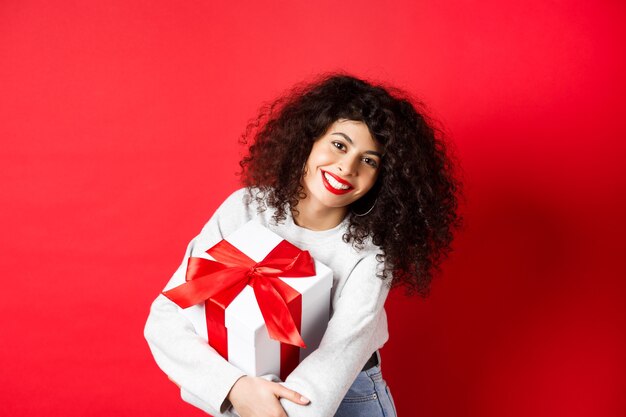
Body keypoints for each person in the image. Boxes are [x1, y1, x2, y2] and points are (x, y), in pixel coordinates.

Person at [144, 73, 462, 417]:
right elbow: (167, 319)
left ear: (382, 179)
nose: (346, 166)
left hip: (344, 398)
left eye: (369, 160)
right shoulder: (244, 209)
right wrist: (234, 387)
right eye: (339, 145)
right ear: (308, 140)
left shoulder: (370, 258)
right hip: (246, 391)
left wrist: (247, 398)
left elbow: (328, 373)